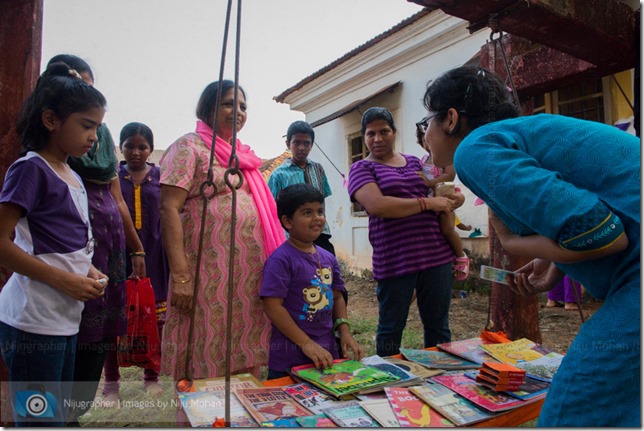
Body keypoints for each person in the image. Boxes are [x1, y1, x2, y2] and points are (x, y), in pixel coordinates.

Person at [421, 65, 639, 427]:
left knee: (572, 410)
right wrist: (552, 263)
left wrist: (513, 241)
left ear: (451, 119)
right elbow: (595, 213)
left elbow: (606, 234)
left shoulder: (474, 148)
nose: (424, 138)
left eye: (424, 124)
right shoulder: (518, 136)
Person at [0, 62, 109, 426]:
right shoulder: (31, 169)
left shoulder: (72, 174)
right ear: (50, 120)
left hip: (63, 318)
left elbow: (65, 243)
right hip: (33, 321)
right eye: (86, 125)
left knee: (56, 416)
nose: (94, 136)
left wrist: (88, 270)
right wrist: (65, 280)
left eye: (97, 126)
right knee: (38, 420)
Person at [159, 80, 285, 383]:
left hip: (247, 277)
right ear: (208, 107)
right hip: (206, 276)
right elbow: (169, 209)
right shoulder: (188, 147)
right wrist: (181, 277)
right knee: (204, 345)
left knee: (245, 345)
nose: (238, 111)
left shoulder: (244, 155)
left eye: (243, 106)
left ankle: (240, 415)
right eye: (229, 103)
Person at [45, 54, 146, 419]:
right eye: (76, 85)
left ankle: (75, 411)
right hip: (68, 253)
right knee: (66, 333)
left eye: (89, 85)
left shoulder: (98, 137)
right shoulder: (47, 154)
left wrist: (137, 248)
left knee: (100, 332)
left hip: (110, 249)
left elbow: (117, 198)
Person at [347, 107, 462, 357]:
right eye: (370, 134)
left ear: (394, 132)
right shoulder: (361, 169)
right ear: (364, 137)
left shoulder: (414, 162)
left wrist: (450, 198)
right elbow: (378, 206)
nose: (377, 139)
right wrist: (427, 204)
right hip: (395, 259)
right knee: (391, 327)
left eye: (384, 131)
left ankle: (441, 380)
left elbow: (440, 188)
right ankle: (388, 382)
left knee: (438, 327)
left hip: (436, 255)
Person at [260, 184, 364, 379]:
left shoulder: (328, 257)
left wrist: (344, 330)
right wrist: (306, 343)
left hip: (326, 353)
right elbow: (272, 306)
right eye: (307, 212)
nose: (317, 218)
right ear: (287, 221)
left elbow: (338, 296)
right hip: (289, 359)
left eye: (320, 211)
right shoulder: (281, 260)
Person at [105, 122, 169, 397]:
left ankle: (151, 376)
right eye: (129, 145)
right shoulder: (112, 176)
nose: (135, 152)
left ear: (151, 150)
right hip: (118, 255)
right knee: (114, 318)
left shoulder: (162, 178)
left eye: (142, 146)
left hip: (156, 255)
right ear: (121, 147)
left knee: (155, 320)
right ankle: (111, 382)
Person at [268, 121, 335, 255]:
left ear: (311, 145)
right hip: (292, 238)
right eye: (296, 143)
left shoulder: (318, 169)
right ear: (288, 144)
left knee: (327, 270)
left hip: (320, 233)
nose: (301, 148)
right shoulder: (278, 175)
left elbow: (322, 200)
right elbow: (271, 210)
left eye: (306, 143)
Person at [415, 127, 469, 279]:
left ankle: (461, 255)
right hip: (429, 202)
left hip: (444, 200)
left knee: (447, 229)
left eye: (429, 139)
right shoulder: (422, 160)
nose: (427, 144)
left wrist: (429, 182)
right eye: (424, 141)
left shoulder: (446, 158)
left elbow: (450, 176)